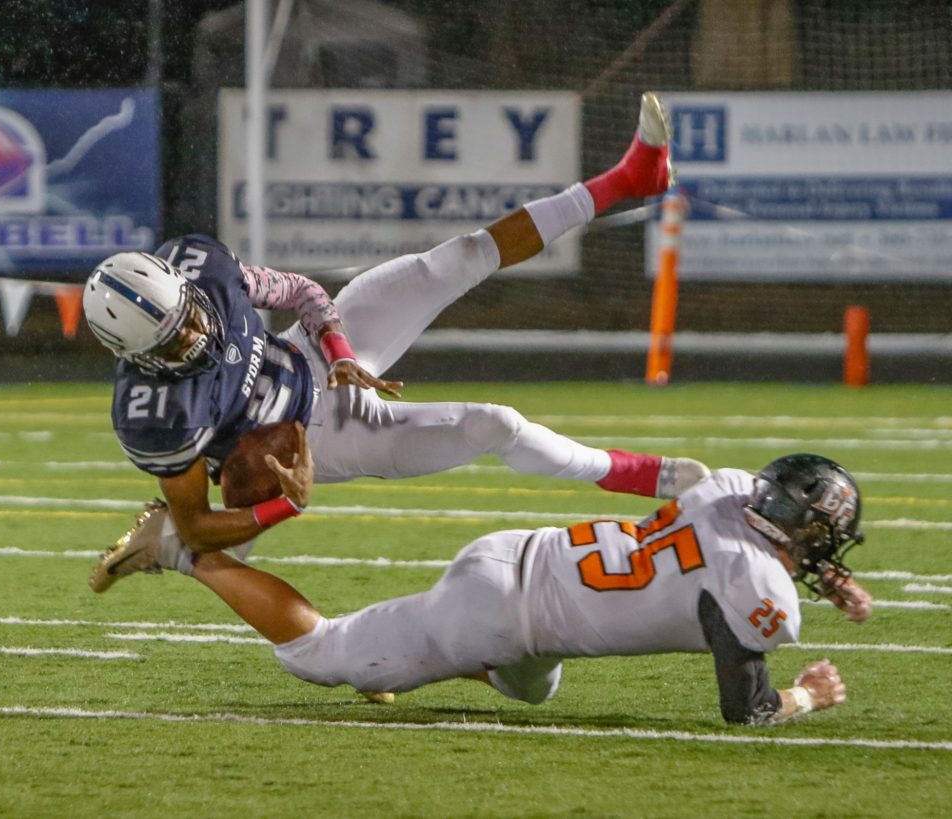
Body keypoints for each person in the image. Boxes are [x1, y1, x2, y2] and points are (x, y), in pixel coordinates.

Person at [84, 92, 710, 583]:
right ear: (134, 357)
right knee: (496, 424)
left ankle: (627, 182)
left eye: (189, 315)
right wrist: (288, 502)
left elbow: (303, 294)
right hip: (313, 443)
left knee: (457, 257)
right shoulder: (154, 413)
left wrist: (340, 354)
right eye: (170, 343)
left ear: (182, 285)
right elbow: (199, 522)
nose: (194, 336)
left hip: (316, 360)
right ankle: (633, 474)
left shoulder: (204, 269)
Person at [96, 434, 873, 725]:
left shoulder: (728, 487)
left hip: (521, 560)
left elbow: (737, 544)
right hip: (499, 610)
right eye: (825, 540)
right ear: (801, 531)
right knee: (322, 656)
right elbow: (751, 710)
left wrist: (818, 571)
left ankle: (417, 651)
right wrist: (807, 693)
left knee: (535, 689)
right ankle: (182, 550)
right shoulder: (756, 590)